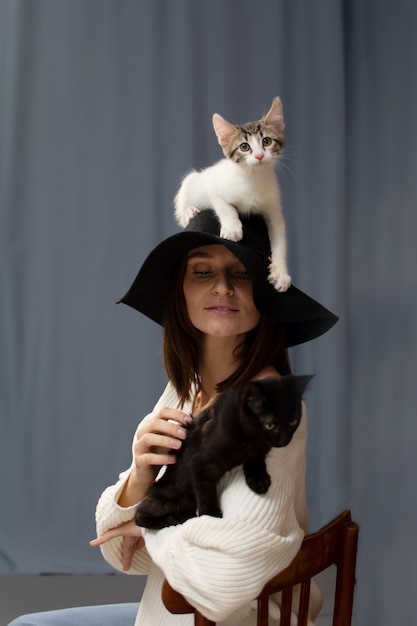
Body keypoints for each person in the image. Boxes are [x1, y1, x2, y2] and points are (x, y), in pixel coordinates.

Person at [9, 211, 338, 626]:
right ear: (180, 290)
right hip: (167, 608)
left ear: (267, 295)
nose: (222, 286)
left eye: (242, 273)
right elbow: (121, 554)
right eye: (202, 271)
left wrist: (149, 529)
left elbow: (224, 579)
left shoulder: (272, 409)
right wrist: (139, 479)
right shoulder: (187, 390)